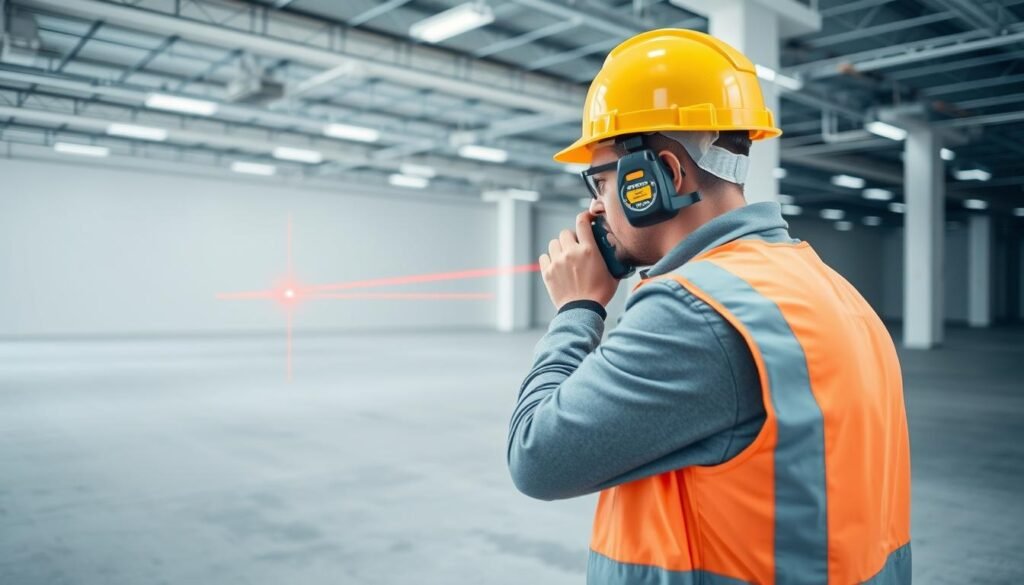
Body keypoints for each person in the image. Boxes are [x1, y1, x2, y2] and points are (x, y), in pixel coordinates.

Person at [506, 29, 911, 584]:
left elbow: (537, 458)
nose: (594, 210)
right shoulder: (827, 287)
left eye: (598, 183)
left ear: (663, 175)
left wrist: (578, 308)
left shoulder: (692, 311)